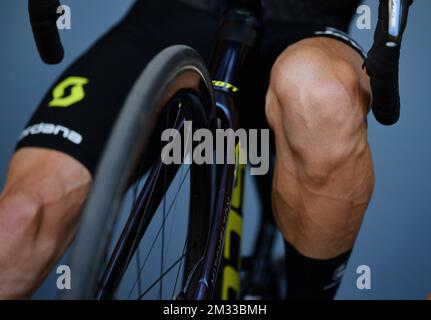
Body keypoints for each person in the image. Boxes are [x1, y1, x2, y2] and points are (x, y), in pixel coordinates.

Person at [0, 0, 411, 299]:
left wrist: (391, 27)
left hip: (305, 23)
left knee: (323, 97)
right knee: (18, 223)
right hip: (171, 16)